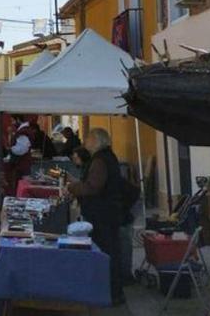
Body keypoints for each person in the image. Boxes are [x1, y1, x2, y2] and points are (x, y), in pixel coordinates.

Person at [66, 128, 126, 306]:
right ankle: (112, 291)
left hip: (102, 214)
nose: (85, 142)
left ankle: (111, 293)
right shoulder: (107, 157)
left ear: (97, 141)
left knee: (105, 252)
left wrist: (73, 188)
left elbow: (93, 187)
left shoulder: (100, 160)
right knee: (110, 251)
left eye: (88, 139)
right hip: (107, 212)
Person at [3, 115, 34, 195]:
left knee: (21, 190)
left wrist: (9, 149)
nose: (12, 123)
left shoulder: (23, 132)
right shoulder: (22, 131)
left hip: (22, 166)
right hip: (22, 165)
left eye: (13, 121)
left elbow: (21, 150)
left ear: (18, 120)